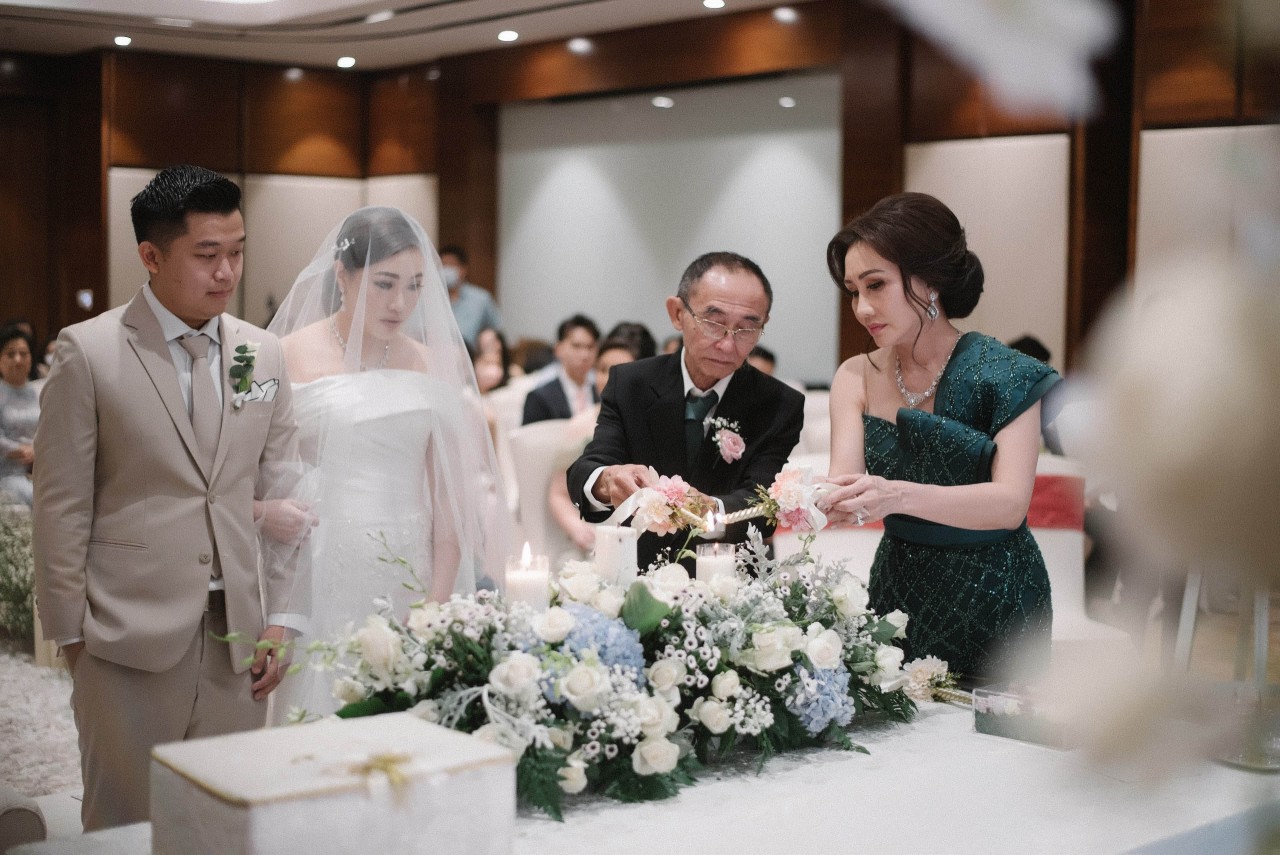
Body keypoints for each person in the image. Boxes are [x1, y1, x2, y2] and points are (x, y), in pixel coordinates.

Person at [33, 165, 309, 831]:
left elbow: (286, 489)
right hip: (124, 638)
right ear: (151, 257)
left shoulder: (262, 354)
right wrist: (74, 640)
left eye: (237, 251)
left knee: (227, 821)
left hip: (238, 639)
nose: (227, 272)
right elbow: (61, 506)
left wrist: (283, 616)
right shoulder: (89, 351)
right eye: (207, 254)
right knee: (127, 823)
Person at [267, 207, 514, 722]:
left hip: (409, 568)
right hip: (319, 566)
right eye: (384, 284)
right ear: (342, 275)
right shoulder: (285, 355)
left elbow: (447, 499)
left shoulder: (431, 363)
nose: (400, 303)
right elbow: (260, 472)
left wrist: (435, 604)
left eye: (415, 286)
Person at [816, 192, 1060, 681]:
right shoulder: (854, 377)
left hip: (996, 591)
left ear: (929, 281)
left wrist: (895, 495)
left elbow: (1010, 504)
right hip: (899, 589)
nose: (862, 308)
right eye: (853, 291)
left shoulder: (1009, 374)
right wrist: (815, 500)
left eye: (876, 285)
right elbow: (844, 487)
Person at [568, 251, 805, 570]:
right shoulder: (631, 383)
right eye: (714, 323)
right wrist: (607, 480)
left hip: (730, 577)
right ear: (678, 313)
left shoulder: (779, 404)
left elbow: (762, 503)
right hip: (638, 572)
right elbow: (587, 467)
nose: (727, 344)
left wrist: (706, 509)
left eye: (747, 329)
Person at [548, 337, 639, 558]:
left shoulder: (647, 424)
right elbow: (558, 493)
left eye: (621, 370)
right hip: (592, 532)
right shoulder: (580, 425)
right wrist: (579, 530)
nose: (609, 378)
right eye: (603, 369)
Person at [522, 314, 600, 424]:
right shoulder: (539, 398)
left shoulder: (603, 392)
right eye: (576, 346)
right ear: (558, 349)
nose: (585, 355)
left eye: (590, 347)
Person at [0, 325, 38, 505]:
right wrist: (22, 450)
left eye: (23, 354)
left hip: (40, 467)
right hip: (8, 473)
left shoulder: (39, 391)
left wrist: (38, 450)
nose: (18, 360)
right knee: (33, 496)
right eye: (10, 354)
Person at [440, 244, 501, 348]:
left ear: (463, 269)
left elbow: (497, 330)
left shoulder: (481, 299)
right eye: (443, 265)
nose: (446, 269)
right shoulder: (431, 300)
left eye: (451, 265)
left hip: (472, 355)